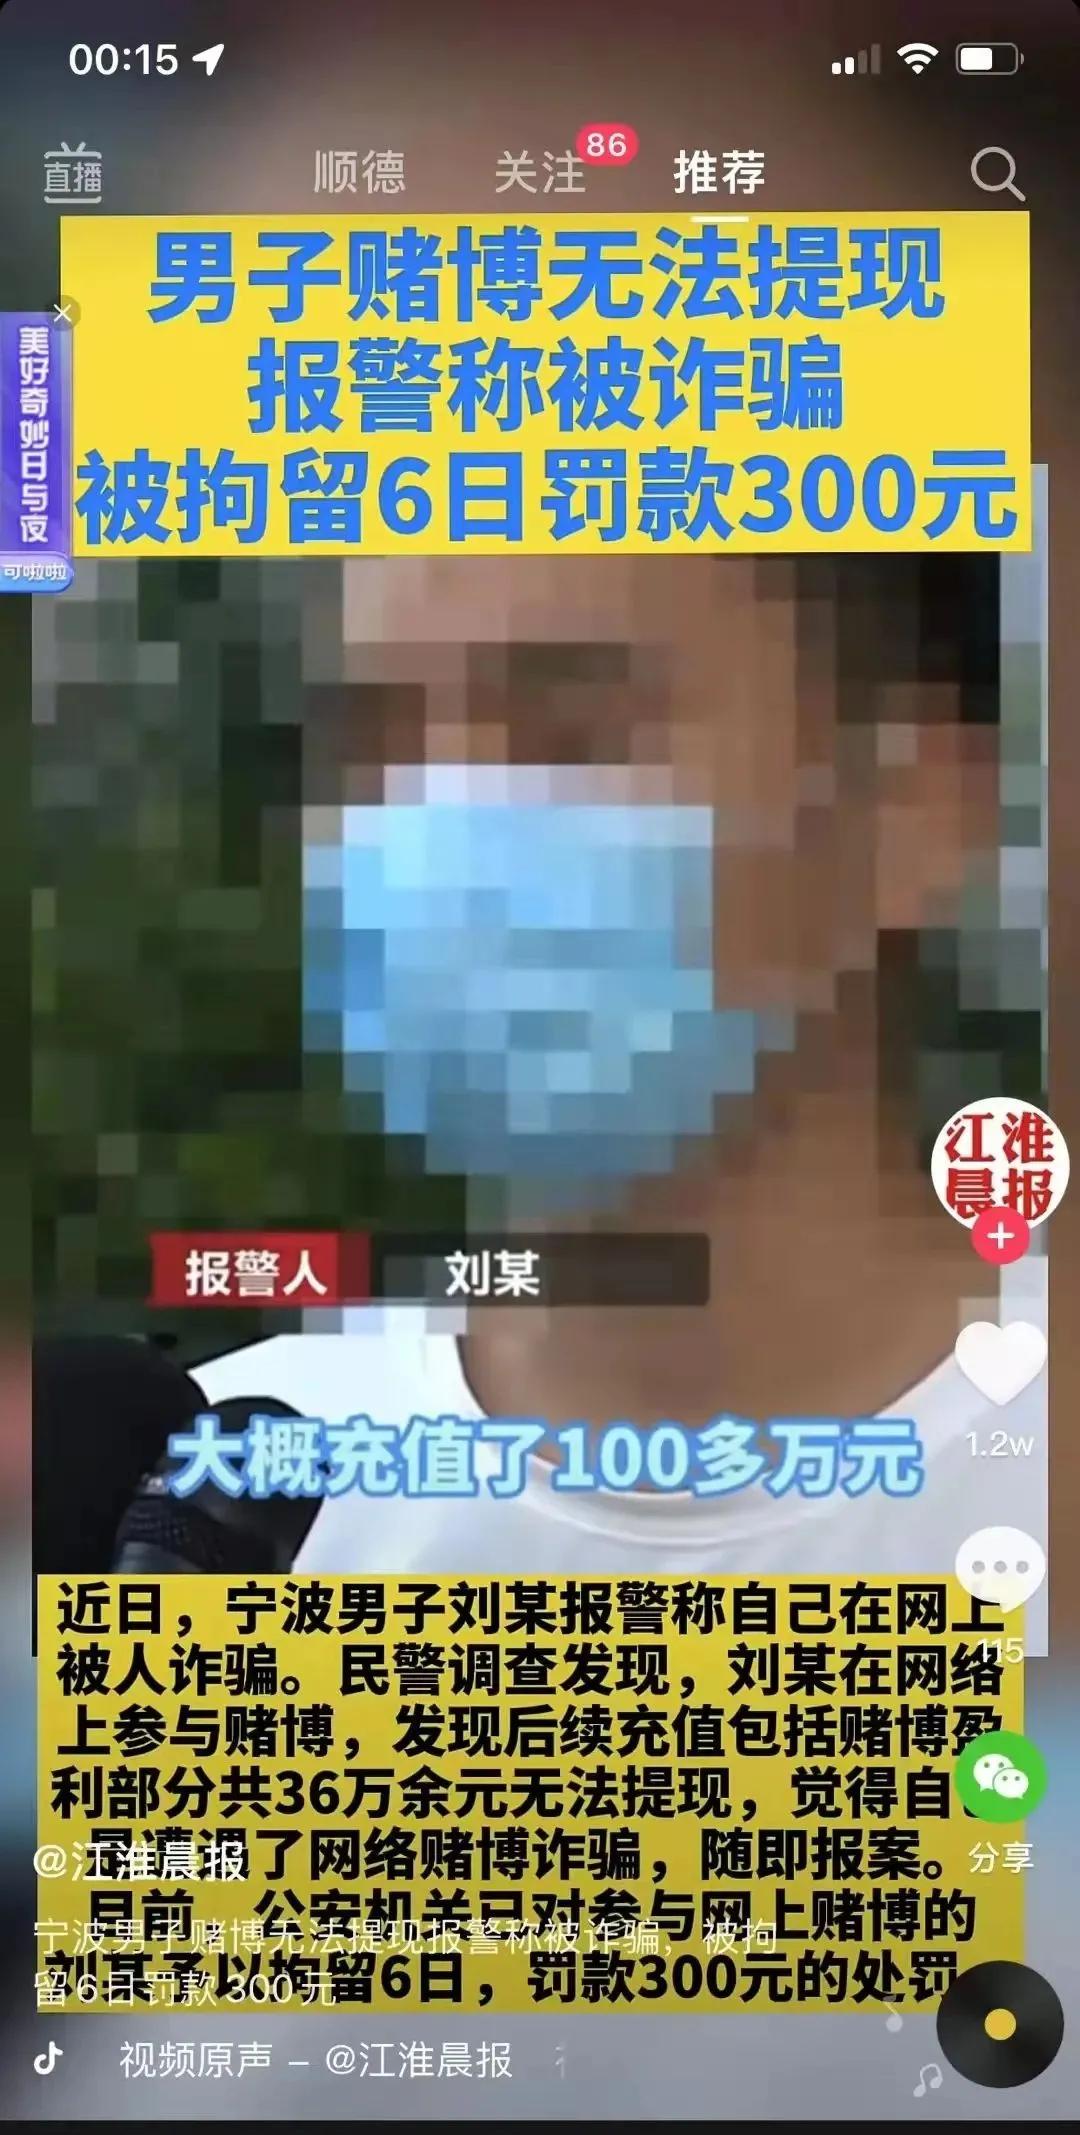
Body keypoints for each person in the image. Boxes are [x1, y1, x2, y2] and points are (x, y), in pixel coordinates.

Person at [193, 551, 1045, 1608]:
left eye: (576, 739)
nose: (437, 839)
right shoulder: (212, 1505)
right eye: (372, 749)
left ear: (911, 813)